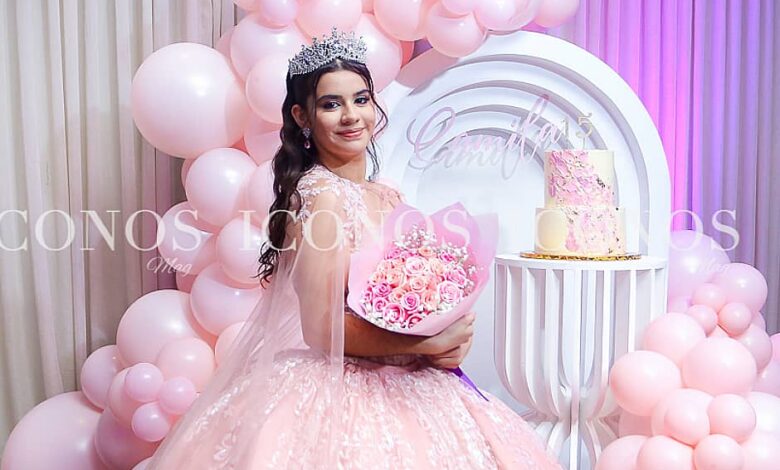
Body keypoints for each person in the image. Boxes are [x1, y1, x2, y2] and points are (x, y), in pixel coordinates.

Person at [147, 29, 561, 470]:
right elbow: (321, 328)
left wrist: (444, 330)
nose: (351, 116)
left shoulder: (386, 196)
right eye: (331, 104)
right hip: (341, 388)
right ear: (302, 117)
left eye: (360, 100)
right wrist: (428, 341)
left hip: (410, 378)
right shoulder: (321, 197)